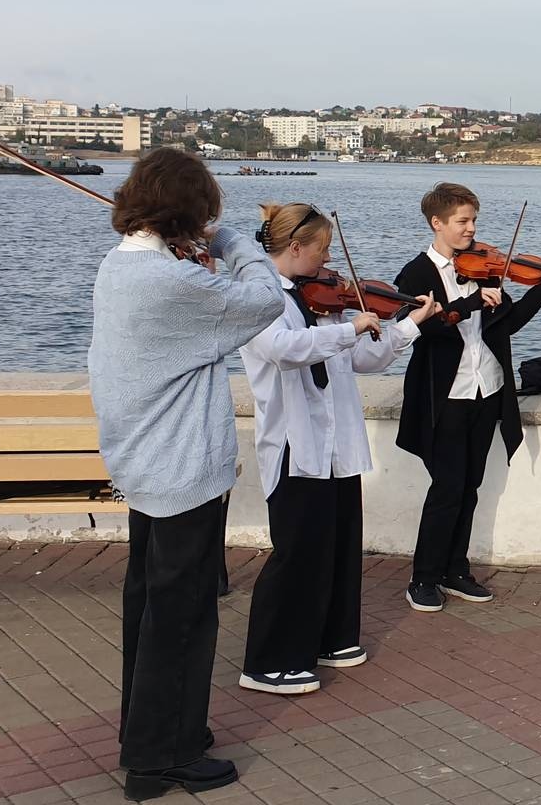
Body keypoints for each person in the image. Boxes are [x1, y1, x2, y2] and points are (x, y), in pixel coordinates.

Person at [88, 148, 283, 800]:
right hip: (180, 470)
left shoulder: (121, 266)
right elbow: (264, 299)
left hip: (145, 463)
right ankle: (159, 759)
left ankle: (157, 732)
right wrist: (229, 238)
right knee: (183, 614)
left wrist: (193, 249)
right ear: (189, 214)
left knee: (149, 607)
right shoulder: (174, 281)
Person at [238, 203, 441, 695]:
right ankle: (268, 660)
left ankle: (331, 638)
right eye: (323, 250)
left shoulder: (323, 302)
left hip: (335, 444)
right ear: (295, 247)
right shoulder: (261, 298)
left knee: (337, 547)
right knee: (297, 554)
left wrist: (408, 325)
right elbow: (286, 349)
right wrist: (349, 326)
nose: (330, 263)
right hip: (295, 443)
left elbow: (364, 358)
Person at [394, 183, 541, 612]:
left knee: (471, 486)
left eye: (473, 220)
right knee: (446, 488)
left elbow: (507, 325)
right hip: (445, 396)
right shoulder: (416, 274)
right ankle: (423, 577)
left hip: (487, 389)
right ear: (437, 223)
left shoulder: (485, 267)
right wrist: (472, 301)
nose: (471, 229)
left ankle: (455, 570)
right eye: (462, 221)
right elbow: (423, 331)